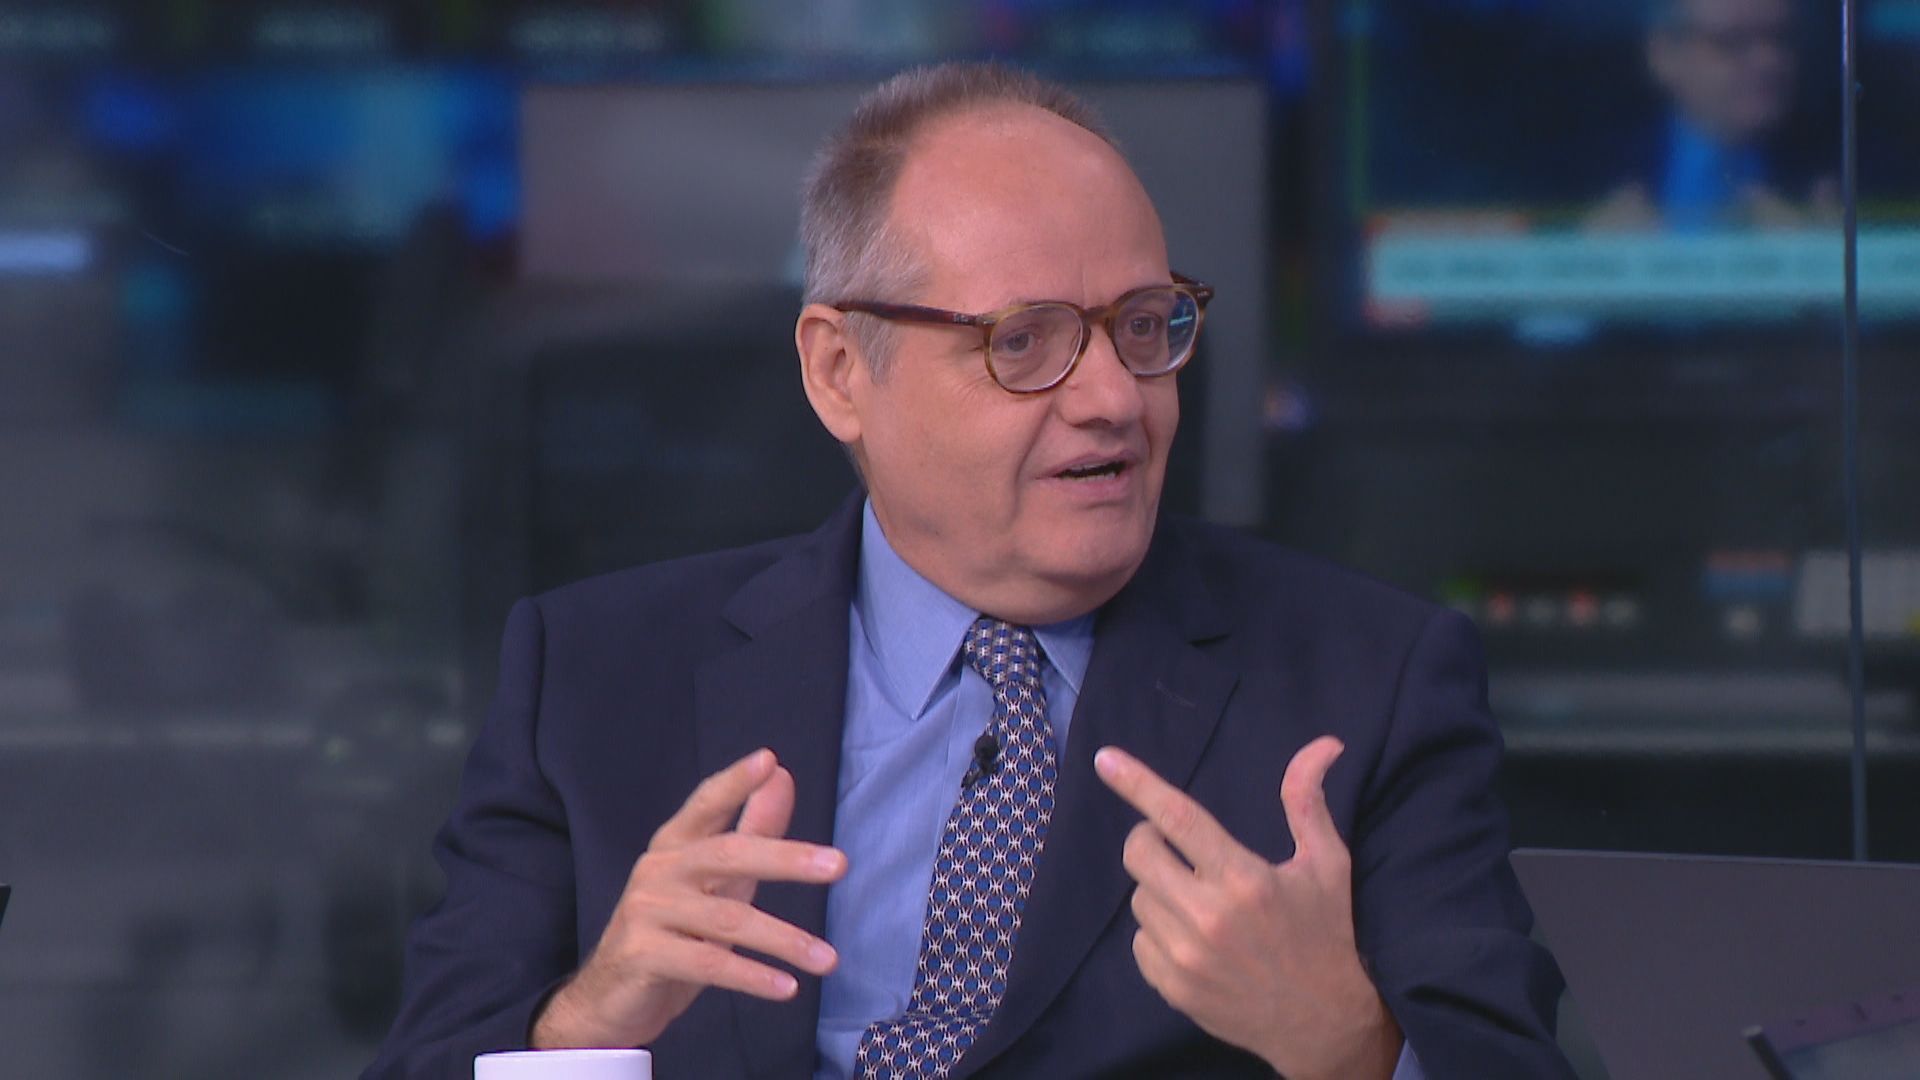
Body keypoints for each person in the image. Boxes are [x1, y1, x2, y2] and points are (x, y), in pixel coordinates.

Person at [366, 62, 1572, 1079]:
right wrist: (591, 1026)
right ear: (841, 371)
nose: (1114, 400)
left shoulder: (1367, 684)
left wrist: (1349, 1047)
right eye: (1025, 341)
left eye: (1143, 325)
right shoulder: (591, 676)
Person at [1589, 0, 1836, 231]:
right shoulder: (1592, 167)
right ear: (1663, 53)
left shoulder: (1839, 168)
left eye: (1781, 38)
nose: (1769, 61)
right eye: (1733, 41)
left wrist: (1814, 254)